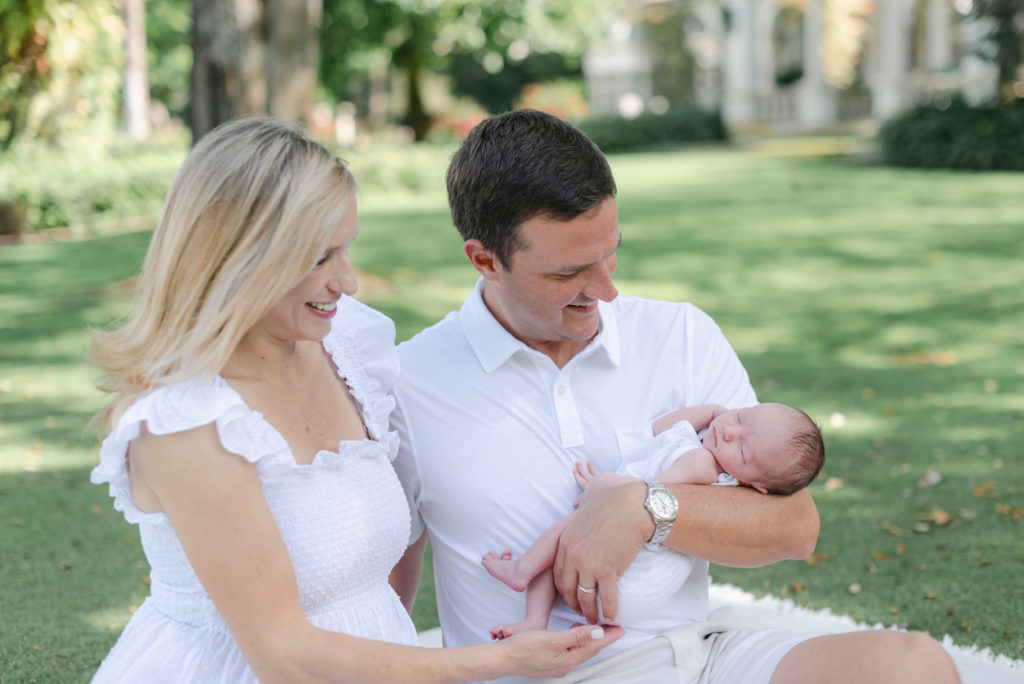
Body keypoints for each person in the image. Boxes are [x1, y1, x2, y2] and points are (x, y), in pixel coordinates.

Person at [389, 109, 960, 683]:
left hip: (698, 659)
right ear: (485, 260)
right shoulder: (406, 381)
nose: (606, 290)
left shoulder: (682, 334)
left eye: (610, 253)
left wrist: (647, 508)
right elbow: (382, 587)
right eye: (570, 274)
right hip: (539, 675)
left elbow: (794, 527)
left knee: (913, 667)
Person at [87, 116, 623, 683]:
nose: (348, 281)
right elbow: (285, 657)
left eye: (347, 250)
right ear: (235, 260)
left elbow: (386, 565)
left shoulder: (347, 347)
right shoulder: (186, 424)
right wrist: (502, 661)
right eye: (319, 258)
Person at [481, 402, 825, 639]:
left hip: (634, 572)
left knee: (564, 532)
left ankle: (521, 571)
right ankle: (537, 622)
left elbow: (651, 493)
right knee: (565, 545)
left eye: (744, 451)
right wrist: (714, 412)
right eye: (740, 416)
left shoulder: (702, 464)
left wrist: (603, 484)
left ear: (758, 485)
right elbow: (663, 427)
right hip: (632, 589)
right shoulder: (699, 442)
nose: (731, 432)